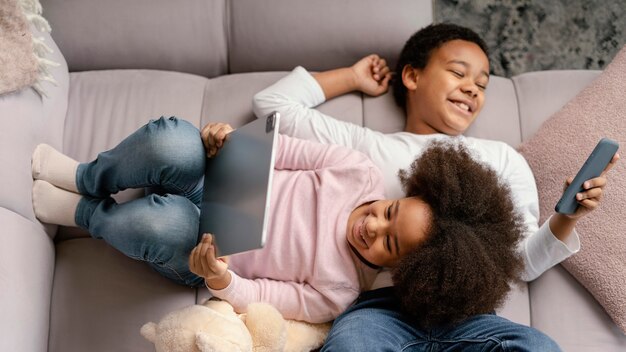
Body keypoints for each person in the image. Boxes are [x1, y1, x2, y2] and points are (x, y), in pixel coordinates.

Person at [251, 23, 619, 349]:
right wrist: (352, 77)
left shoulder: (504, 160)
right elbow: (272, 105)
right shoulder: (366, 149)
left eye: (481, 84)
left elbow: (519, 263)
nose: (472, 89)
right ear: (412, 76)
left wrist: (567, 218)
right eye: (459, 72)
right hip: (380, 311)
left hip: (468, 318)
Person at [30, 115, 524, 324]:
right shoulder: (358, 171)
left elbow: (264, 297)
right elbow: (279, 150)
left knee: (163, 227)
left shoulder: (339, 291)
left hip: (203, 251)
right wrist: (229, 140)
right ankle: (86, 176)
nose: (372, 226)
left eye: (388, 244)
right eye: (387, 212)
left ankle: (84, 213)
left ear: (403, 271)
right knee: (172, 139)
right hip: (212, 178)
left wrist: (221, 278)